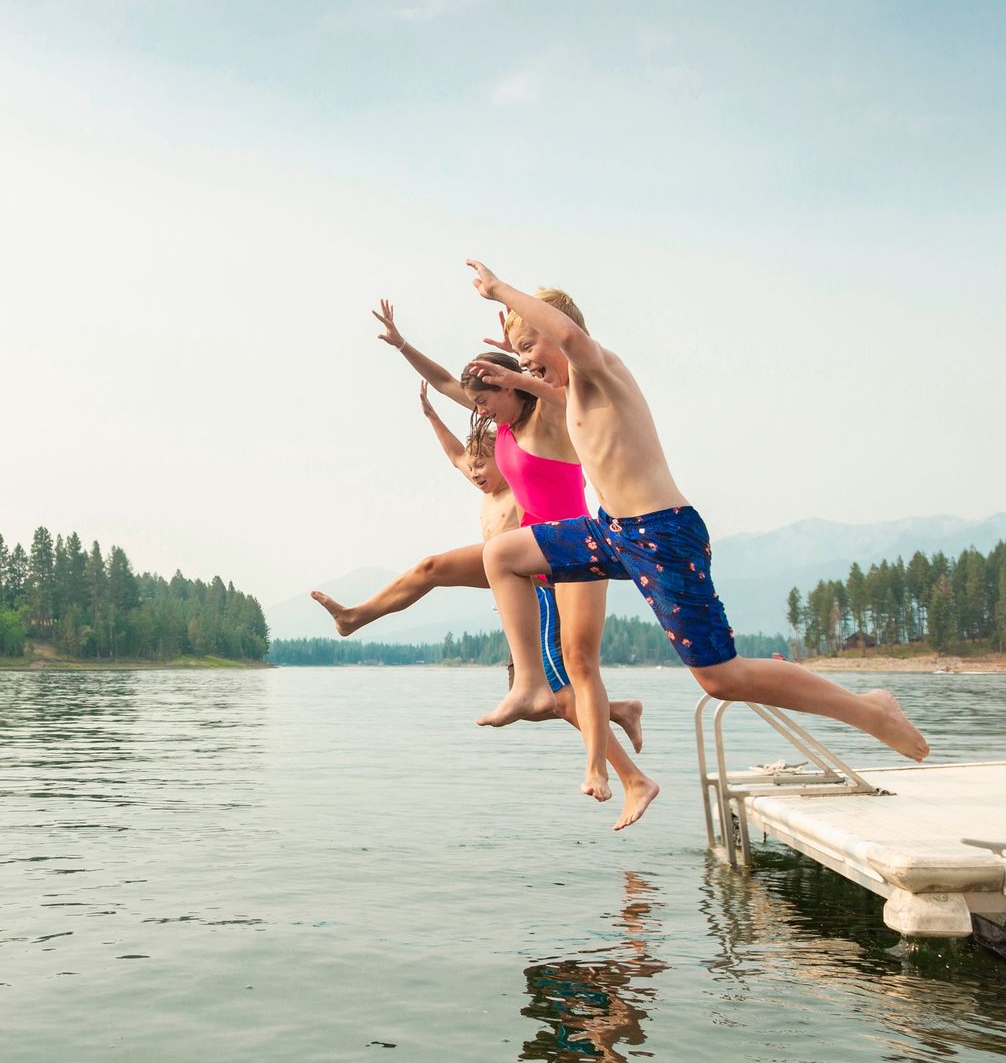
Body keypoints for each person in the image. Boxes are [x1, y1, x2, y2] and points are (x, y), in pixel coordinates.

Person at [463, 260, 930, 831]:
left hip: (662, 533)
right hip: (612, 532)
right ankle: (531, 682)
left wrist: (503, 293)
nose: (529, 356)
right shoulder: (571, 393)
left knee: (722, 678)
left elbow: (568, 338)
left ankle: (869, 710)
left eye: (531, 342)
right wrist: (518, 366)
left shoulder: (600, 366)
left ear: (558, 328)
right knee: (502, 555)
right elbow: (545, 371)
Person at [313, 300, 642, 750]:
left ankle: (619, 760)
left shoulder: (549, 417)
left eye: (486, 401)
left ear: (509, 388)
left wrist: (526, 358)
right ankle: (354, 617)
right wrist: (403, 345)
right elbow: (448, 383)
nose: (480, 411)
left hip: (562, 555)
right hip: (519, 558)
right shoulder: (503, 431)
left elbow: (565, 377)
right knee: (431, 568)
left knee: (563, 694)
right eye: (478, 405)